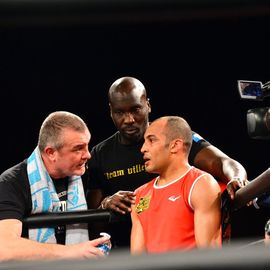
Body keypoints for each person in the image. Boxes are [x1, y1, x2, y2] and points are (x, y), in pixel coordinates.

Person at [87, 76, 247, 249]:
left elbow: (223, 162)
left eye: (136, 109)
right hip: (127, 248)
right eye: (120, 112)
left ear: (147, 105)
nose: (129, 119)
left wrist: (237, 178)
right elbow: (90, 214)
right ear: (111, 111)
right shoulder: (100, 154)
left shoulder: (175, 137)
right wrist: (106, 203)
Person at [0, 111, 111, 261]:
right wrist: (71, 252)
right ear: (51, 153)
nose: (88, 155)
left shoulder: (84, 173)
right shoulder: (12, 182)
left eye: (87, 146)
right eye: (78, 148)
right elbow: (4, 248)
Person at [131, 116, 222, 254]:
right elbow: (137, 260)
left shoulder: (200, 185)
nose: (143, 148)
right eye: (144, 141)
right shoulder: (139, 195)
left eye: (151, 140)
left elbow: (209, 256)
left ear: (175, 145)